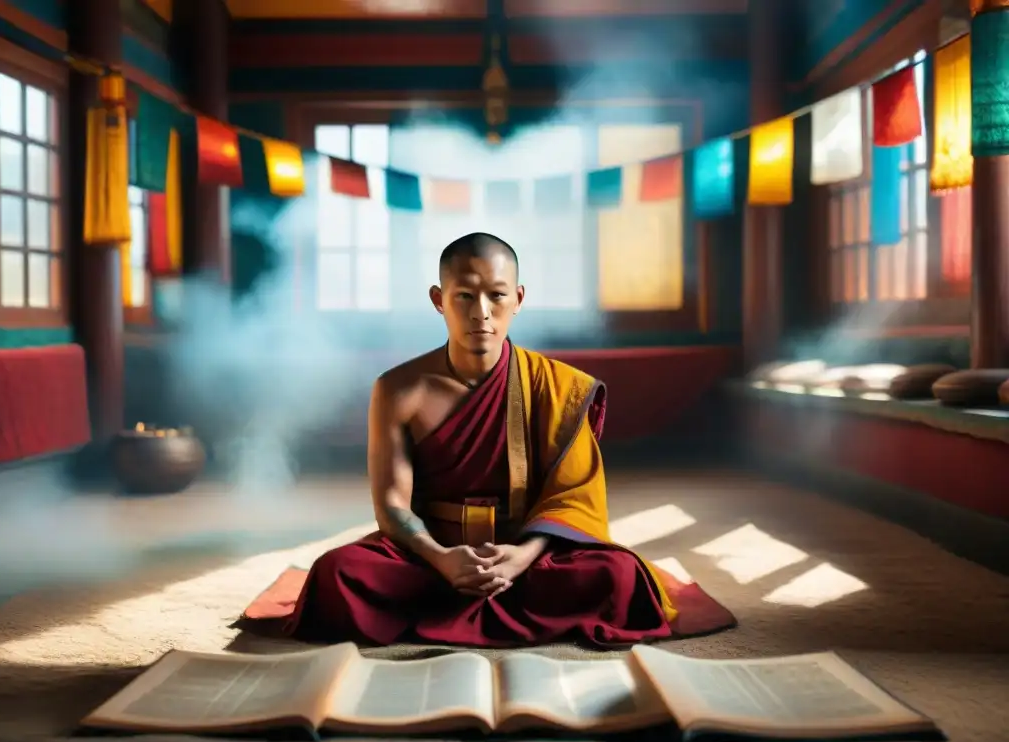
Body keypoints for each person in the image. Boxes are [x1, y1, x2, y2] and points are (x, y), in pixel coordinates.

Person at [262, 233, 732, 648]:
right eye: (464, 295)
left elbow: (571, 499)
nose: (481, 313)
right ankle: (465, 591)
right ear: (437, 298)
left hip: (525, 551)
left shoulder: (555, 385)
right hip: (431, 554)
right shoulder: (399, 389)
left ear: (519, 298)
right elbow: (392, 504)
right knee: (337, 573)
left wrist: (521, 558)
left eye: (497, 295)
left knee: (619, 576)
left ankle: (472, 595)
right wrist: (443, 559)